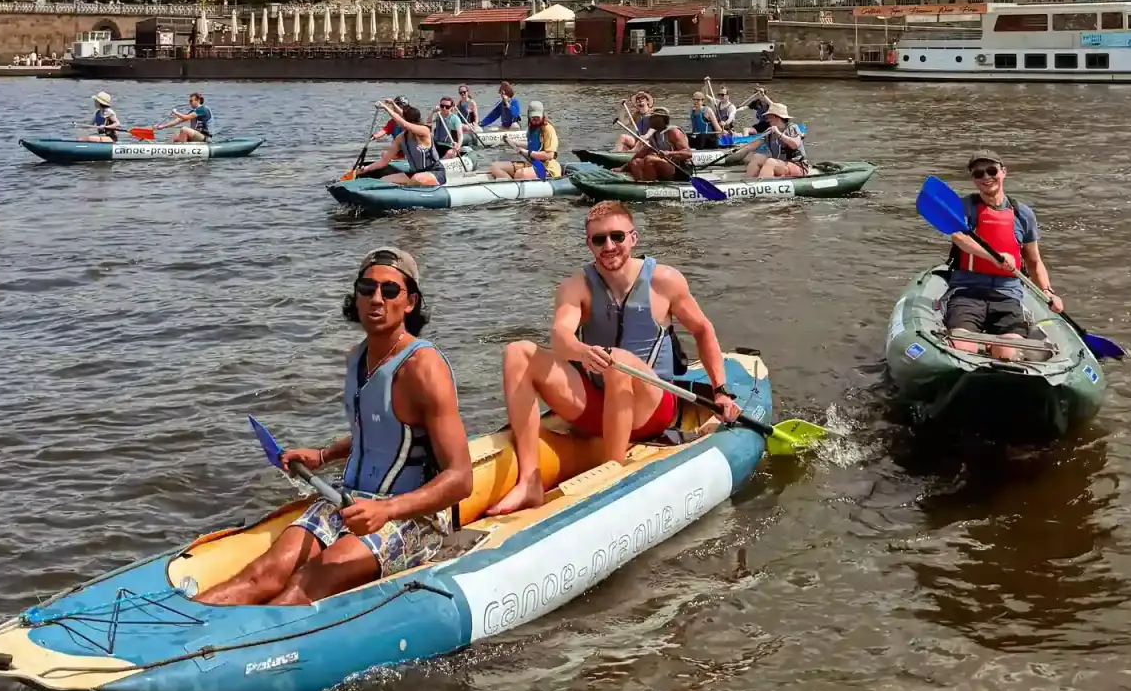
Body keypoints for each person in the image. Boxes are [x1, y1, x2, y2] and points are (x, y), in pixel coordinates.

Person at [197, 250, 472, 606]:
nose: (376, 299)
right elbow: (377, 433)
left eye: (390, 290)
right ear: (356, 298)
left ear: (410, 303)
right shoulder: (357, 357)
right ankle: (174, 634)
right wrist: (323, 455)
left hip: (411, 519)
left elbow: (461, 478)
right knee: (262, 574)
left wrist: (386, 510)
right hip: (346, 500)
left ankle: (250, 641)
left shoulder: (424, 367)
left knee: (306, 583)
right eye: (367, 288)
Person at [487, 202, 742, 515]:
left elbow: (702, 330)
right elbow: (560, 335)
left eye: (617, 236)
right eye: (599, 240)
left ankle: (612, 470)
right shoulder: (575, 286)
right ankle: (530, 480)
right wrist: (581, 352)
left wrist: (720, 391)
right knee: (518, 352)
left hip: (651, 408)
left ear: (633, 238)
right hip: (597, 404)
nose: (608, 246)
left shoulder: (665, 280)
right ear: (589, 244)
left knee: (617, 359)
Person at [942, 152, 1062, 353]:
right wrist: (994, 257)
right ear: (973, 179)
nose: (986, 177)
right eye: (978, 173)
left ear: (1003, 172)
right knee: (963, 346)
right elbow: (959, 238)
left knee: (1007, 351)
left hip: (1007, 295)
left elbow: (1034, 261)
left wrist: (1048, 292)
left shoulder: (1022, 214)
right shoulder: (964, 208)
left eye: (991, 171)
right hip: (967, 292)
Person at [358, 105, 447, 186]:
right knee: (384, 180)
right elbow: (384, 161)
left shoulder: (424, 131)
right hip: (415, 173)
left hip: (435, 172)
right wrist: (365, 169)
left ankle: (409, 188)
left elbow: (405, 124)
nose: (398, 120)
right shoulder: (400, 138)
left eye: (402, 117)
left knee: (416, 179)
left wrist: (386, 108)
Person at [486, 100, 561, 180]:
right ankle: (510, 184)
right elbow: (534, 145)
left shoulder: (548, 129)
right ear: (529, 116)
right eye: (533, 117)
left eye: (538, 117)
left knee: (520, 174)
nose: (535, 119)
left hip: (546, 167)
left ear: (543, 115)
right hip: (531, 163)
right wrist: (515, 143)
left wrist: (527, 152)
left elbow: (549, 155)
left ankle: (515, 182)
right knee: (495, 167)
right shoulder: (531, 127)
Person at [625, 106, 693, 182]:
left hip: (679, 169)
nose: (649, 121)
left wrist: (669, 153)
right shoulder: (654, 134)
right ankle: (642, 184)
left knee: (649, 159)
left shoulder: (674, 132)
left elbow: (688, 153)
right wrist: (623, 167)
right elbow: (642, 152)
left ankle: (651, 183)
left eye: (651, 118)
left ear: (660, 119)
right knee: (636, 162)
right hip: (665, 165)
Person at [743, 105, 808, 179]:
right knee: (756, 157)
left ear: (776, 117)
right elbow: (753, 145)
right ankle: (747, 181)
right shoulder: (770, 132)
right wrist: (740, 148)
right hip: (780, 163)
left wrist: (779, 134)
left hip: (798, 166)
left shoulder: (792, 128)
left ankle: (764, 183)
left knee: (770, 162)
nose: (767, 120)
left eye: (768, 117)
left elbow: (795, 145)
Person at [429, 95, 466, 160]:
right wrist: (432, 112)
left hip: (449, 146)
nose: (444, 108)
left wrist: (458, 146)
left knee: (449, 153)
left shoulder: (455, 118)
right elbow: (428, 123)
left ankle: (439, 163)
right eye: (442, 106)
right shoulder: (437, 115)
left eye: (447, 107)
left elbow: (460, 135)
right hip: (437, 144)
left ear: (451, 108)